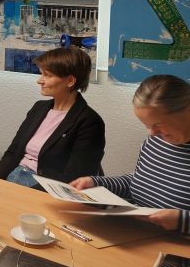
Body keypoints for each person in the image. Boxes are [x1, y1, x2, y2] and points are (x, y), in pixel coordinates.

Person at [71, 75, 190, 233]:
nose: (152, 133)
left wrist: (181, 221)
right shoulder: (155, 142)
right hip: (138, 234)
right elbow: (139, 182)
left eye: (158, 125)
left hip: (176, 248)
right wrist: (96, 183)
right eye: (147, 125)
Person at [0, 47, 105, 187]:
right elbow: (13, 152)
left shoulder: (89, 122)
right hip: (15, 175)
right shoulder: (39, 108)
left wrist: (26, 193)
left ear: (70, 81)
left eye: (47, 75)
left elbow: (73, 177)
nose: (40, 81)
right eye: (41, 74)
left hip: (43, 188)